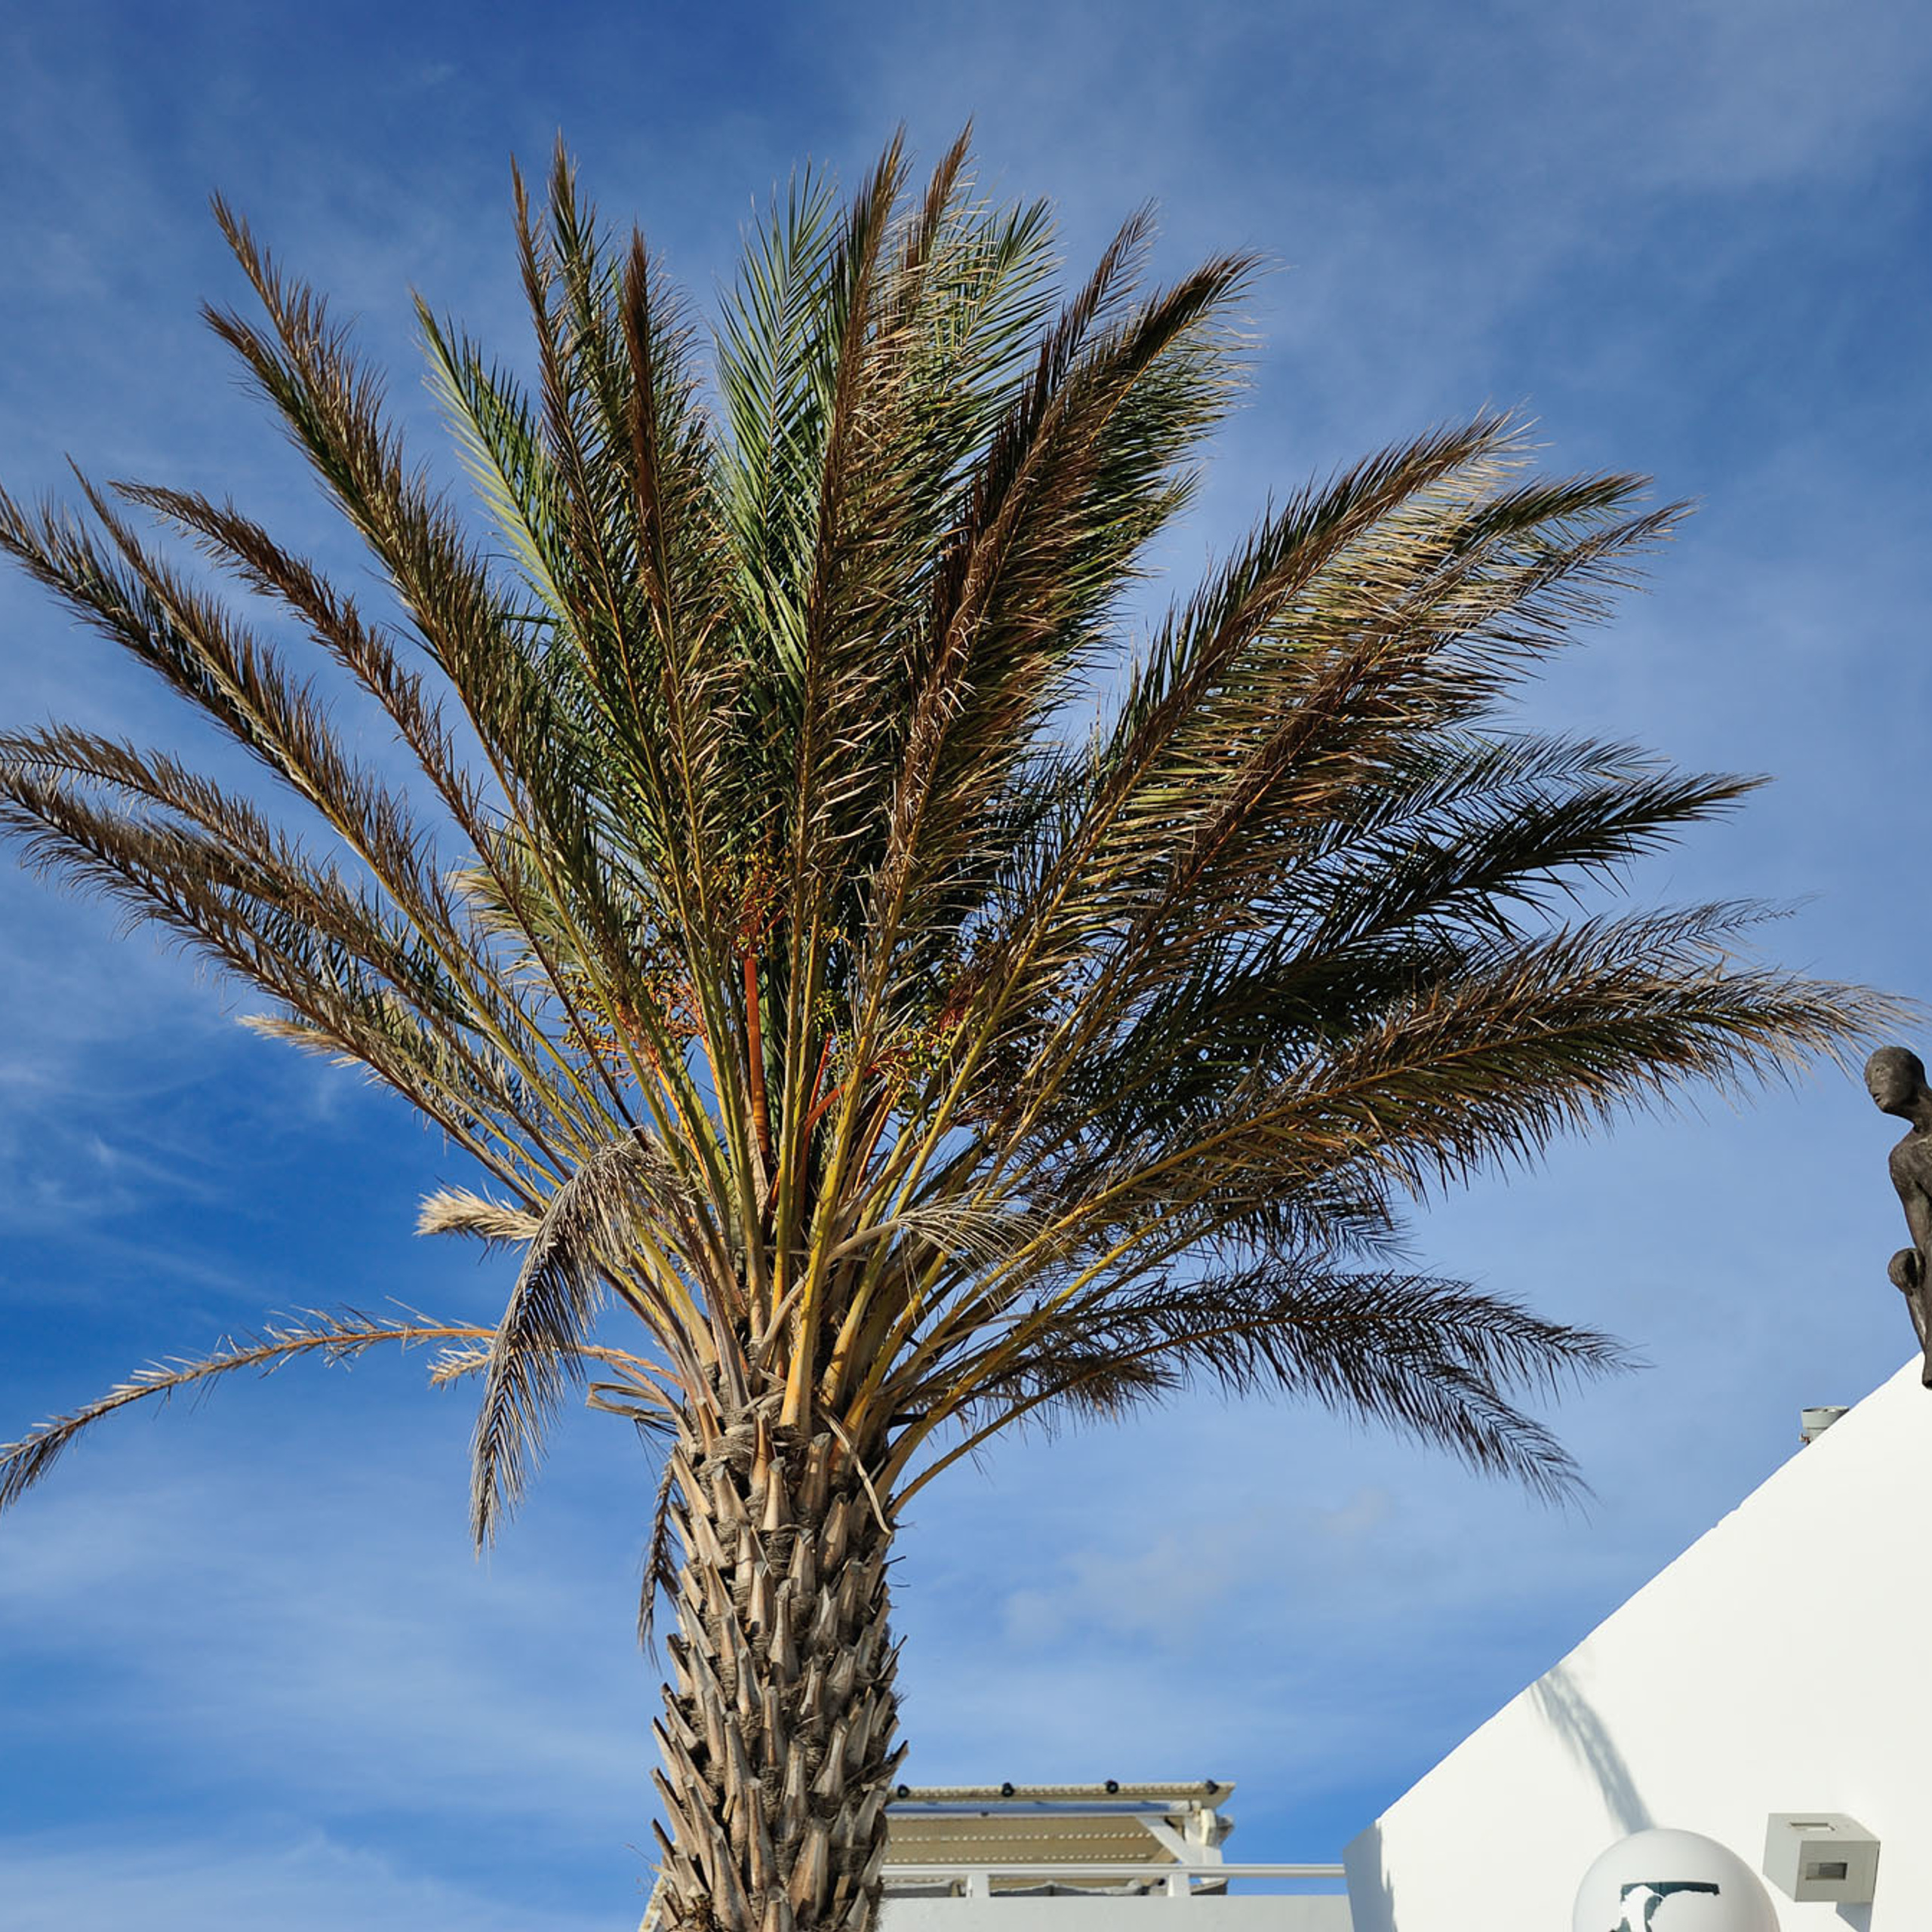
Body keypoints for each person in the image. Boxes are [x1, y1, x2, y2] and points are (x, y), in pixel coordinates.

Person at [1865, 1045, 1932, 1387]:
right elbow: (1924, 1237)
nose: (1872, 1088)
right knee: (1909, 1262)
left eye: (1878, 1073)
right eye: (1867, 1084)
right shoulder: (1903, 1159)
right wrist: (1908, 1260)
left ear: (1910, 1072)